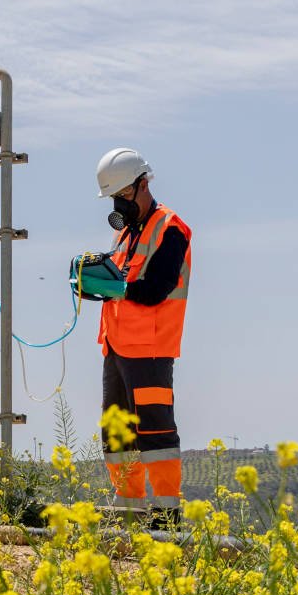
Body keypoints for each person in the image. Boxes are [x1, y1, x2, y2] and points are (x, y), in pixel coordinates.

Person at [86, 147, 192, 520]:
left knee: (155, 434)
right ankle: (128, 510)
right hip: (116, 348)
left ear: (143, 184)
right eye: (114, 198)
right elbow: (122, 281)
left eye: (124, 195)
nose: (119, 203)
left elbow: (157, 287)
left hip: (149, 348)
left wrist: (117, 289)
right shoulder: (127, 234)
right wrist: (95, 283)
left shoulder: (171, 227)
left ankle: (166, 517)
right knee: (117, 435)